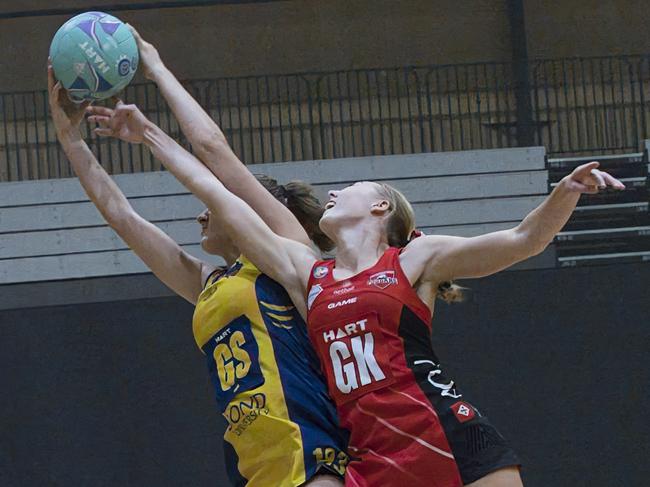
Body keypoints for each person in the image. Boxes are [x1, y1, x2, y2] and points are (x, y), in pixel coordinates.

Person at [85, 61, 625, 487]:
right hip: (373, 460)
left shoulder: (415, 260)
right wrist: (148, 134)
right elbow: (214, 188)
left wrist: (565, 193)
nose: (337, 190)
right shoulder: (306, 272)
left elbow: (521, 241)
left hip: (448, 434)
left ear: (381, 209)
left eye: (356, 187)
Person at [48, 66, 349, 487]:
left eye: (213, 206)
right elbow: (123, 218)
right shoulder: (208, 284)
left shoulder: (287, 260)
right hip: (251, 470)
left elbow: (214, 156)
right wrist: (70, 138)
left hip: (312, 458)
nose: (201, 213)